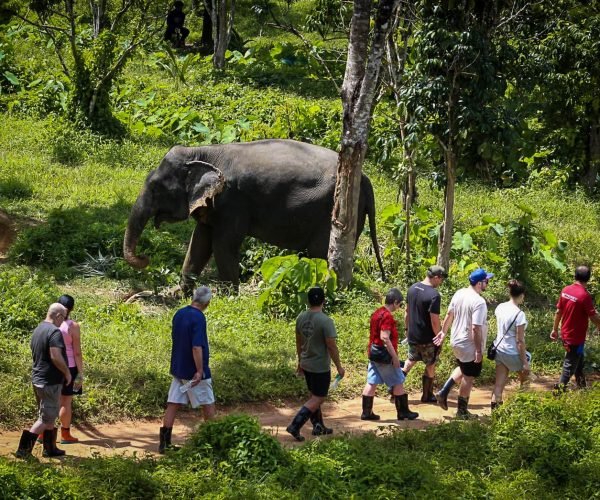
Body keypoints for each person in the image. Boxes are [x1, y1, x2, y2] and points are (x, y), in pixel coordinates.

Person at [159, 286, 215, 454]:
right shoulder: (199, 318)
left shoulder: (179, 313)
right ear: (207, 302)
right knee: (208, 402)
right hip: (193, 370)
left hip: (178, 367)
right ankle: (213, 441)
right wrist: (199, 370)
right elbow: (196, 347)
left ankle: (164, 444)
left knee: (173, 403)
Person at [286, 287, 345, 441]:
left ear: (308, 301)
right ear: (324, 301)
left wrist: (300, 361)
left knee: (313, 394)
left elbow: (298, 342)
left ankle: (318, 426)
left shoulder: (301, 317)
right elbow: (331, 346)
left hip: (306, 363)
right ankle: (295, 425)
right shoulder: (326, 321)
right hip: (319, 366)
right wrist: (339, 366)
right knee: (318, 398)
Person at [15, 303, 72, 459]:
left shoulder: (39, 329)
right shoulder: (54, 331)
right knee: (45, 418)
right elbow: (55, 356)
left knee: (49, 414)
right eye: (64, 317)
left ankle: (50, 448)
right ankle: (23, 451)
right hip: (49, 381)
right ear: (59, 316)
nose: (64, 321)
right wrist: (67, 372)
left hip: (38, 378)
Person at [435, 268, 492, 419]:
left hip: (456, 340)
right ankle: (461, 411)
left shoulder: (460, 293)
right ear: (480, 283)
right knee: (469, 376)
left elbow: (449, 314)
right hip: (469, 343)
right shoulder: (479, 302)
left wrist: (443, 332)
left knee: (463, 367)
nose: (488, 283)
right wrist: (478, 351)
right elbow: (476, 327)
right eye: (487, 281)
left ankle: (443, 392)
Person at [361, 288, 418, 422]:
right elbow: (385, 337)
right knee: (398, 380)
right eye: (400, 304)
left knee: (372, 381)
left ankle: (366, 412)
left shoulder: (377, 313)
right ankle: (403, 412)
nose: (399, 308)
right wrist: (395, 357)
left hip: (373, 354)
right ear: (395, 302)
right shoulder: (387, 316)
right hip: (384, 356)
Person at [402, 265, 448, 404]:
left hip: (413, 335)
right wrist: (439, 337)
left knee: (410, 361)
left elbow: (407, 311)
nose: (441, 282)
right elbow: (435, 321)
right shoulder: (434, 295)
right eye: (441, 279)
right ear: (435, 277)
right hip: (428, 338)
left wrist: (406, 329)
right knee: (431, 364)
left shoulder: (412, 288)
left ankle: (394, 386)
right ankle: (427, 395)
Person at [550, 265, 600, 391]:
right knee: (569, 365)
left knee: (578, 361)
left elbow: (558, 311)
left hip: (566, 334)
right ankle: (559, 391)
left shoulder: (566, 290)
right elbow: (593, 316)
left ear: (575, 276)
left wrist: (555, 329)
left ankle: (582, 388)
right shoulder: (584, 296)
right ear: (588, 278)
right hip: (575, 338)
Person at [491, 280, 530, 409]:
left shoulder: (500, 307)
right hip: (513, 353)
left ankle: (495, 413)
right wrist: (524, 362)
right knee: (526, 379)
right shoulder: (520, 315)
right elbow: (520, 341)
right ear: (522, 295)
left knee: (499, 384)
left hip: (500, 350)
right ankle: (521, 408)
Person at [56, 294, 83, 444]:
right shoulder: (73, 326)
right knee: (66, 402)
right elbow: (77, 352)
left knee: (50, 401)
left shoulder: (49, 323)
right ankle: (65, 434)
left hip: (53, 366)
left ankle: (42, 433)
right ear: (72, 308)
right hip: (70, 367)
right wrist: (80, 373)